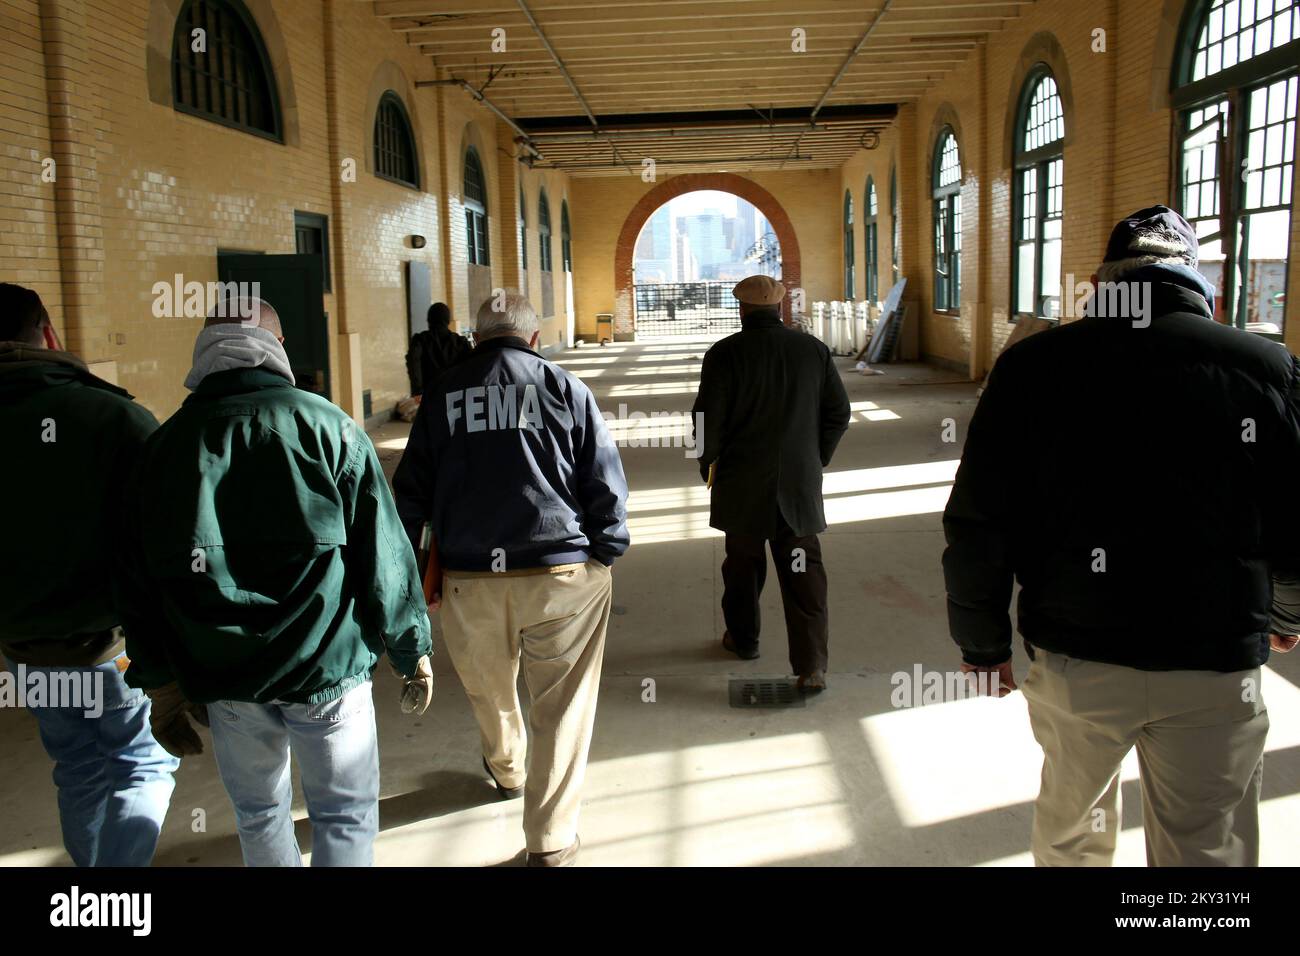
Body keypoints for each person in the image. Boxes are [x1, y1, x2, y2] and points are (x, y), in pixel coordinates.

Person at [942, 205, 1300, 867]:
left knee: (1074, 828)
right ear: (1196, 281)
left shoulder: (1032, 367)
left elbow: (980, 521)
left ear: (1104, 279)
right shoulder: (1268, 367)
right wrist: (1285, 611)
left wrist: (983, 644)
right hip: (1215, 655)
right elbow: (1296, 517)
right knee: (1205, 844)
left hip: (1079, 651)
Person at [119, 295, 433, 867]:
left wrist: (159, 680)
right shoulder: (330, 428)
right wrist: (410, 647)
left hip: (226, 675)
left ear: (203, 353)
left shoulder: (162, 449)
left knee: (259, 813)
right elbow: (384, 553)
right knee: (344, 813)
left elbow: (138, 582)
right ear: (278, 348)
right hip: (327, 667)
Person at [393, 291, 629, 867]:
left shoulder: (444, 393)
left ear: (475, 338)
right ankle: (549, 841)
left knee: (488, 686)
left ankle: (506, 770)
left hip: (471, 575)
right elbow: (603, 479)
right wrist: (604, 552)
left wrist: (412, 566)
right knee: (563, 706)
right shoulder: (564, 387)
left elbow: (410, 494)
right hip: (559, 572)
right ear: (534, 338)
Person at [0, 282, 179, 866]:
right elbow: (172, 532)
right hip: (111, 644)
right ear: (48, 334)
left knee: (76, 768)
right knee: (142, 763)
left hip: (26, 647)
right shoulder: (112, 415)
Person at [691, 275, 851, 693]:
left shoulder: (725, 354)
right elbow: (839, 412)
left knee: (742, 567)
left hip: (742, 486)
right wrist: (815, 459)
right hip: (798, 488)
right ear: (781, 306)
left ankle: (744, 641)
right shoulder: (812, 350)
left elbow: (706, 419)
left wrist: (707, 464)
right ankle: (811, 665)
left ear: (741, 308)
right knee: (803, 573)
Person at [406, 301, 471, 396]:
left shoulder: (420, 340)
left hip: (429, 396)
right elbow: (470, 368)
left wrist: (418, 391)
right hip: (456, 397)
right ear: (448, 321)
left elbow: (413, 363)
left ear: (429, 320)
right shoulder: (460, 342)